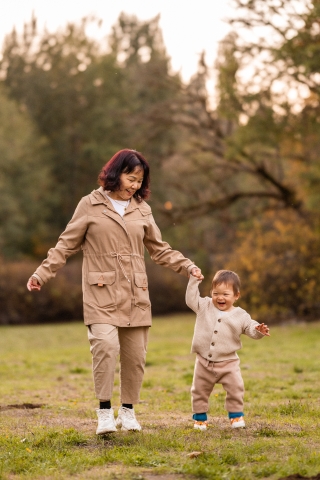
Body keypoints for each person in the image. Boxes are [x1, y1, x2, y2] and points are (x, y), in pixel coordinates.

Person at [27, 149, 202, 435]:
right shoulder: (90, 204)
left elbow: (159, 249)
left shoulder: (141, 208)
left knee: (135, 357)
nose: (135, 185)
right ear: (115, 173)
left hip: (136, 294)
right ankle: (105, 412)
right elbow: (66, 244)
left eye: (139, 180)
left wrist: (187, 266)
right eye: (131, 178)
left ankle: (128, 412)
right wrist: (42, 273)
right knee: (105, 348)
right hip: (101, 293)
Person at [186, 269, 270, 430]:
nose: (220, 297)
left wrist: (259, 331)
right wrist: (193, 281)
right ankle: (200, 418)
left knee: (236, 388)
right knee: (199, 391)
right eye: (215, 293)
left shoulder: (241, 315)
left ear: (236, 295)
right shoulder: (204, 305)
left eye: (225, 294)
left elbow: (251, 328)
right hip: (204, 361)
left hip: (229, 363)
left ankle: (235, 415)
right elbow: (191, 299)